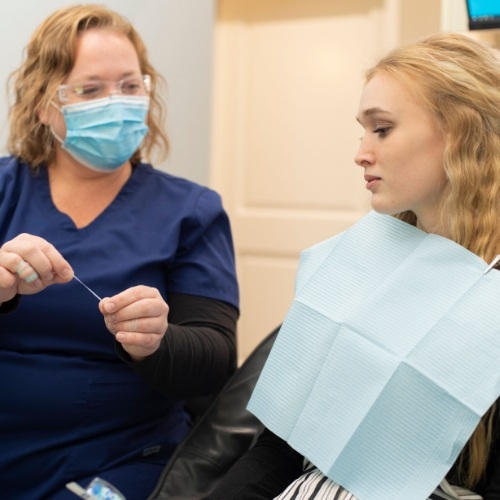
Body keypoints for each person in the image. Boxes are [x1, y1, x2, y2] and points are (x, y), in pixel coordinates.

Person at [205, 33, 500, 499]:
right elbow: (282, 445)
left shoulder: (491, 300)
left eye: (381, 129)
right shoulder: (361, 265)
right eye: (363, 131)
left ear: (461, 132)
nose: (361, 153)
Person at [0, 4, 239, 499]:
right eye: (91, 89)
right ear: (45, 104)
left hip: (117, 462)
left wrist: (157, 340)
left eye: (131, 86)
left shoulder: (190, 210)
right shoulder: (5, 191)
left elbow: (216, 362)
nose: (117, 103)